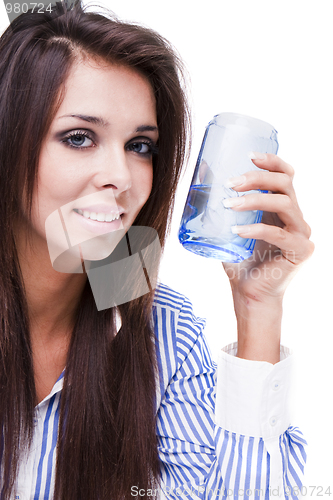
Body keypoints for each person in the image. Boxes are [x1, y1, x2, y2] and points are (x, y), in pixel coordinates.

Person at [0, 1, 314, 499]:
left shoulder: (164, 329)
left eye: (140, 146)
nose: (121, 177)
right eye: (79, 138)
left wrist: (259, 311)